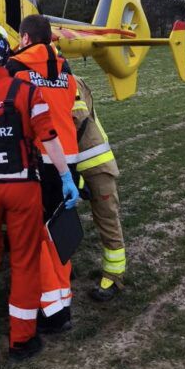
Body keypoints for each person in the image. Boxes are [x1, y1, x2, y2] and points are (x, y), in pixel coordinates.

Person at [0, 25, 78, 363]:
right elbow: (48, 136)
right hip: (22, 186)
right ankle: (21, 339)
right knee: (23, 258)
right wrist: (66, 176)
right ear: (7, 57)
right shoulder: (27, 92)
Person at [7, 14, 80, 333]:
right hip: (69, 157)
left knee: (36, 235)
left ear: (24, 38)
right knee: (59, 232)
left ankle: (51, 312)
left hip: (39, 157)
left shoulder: (16, 67)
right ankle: (64, 298)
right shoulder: (66, 68)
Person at [72, 75, 126, 301]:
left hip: (94, 162)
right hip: (67, 164)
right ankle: (63, 267)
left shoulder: (67, 81)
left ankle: (114, 277)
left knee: (107, 217)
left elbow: (76, 117)